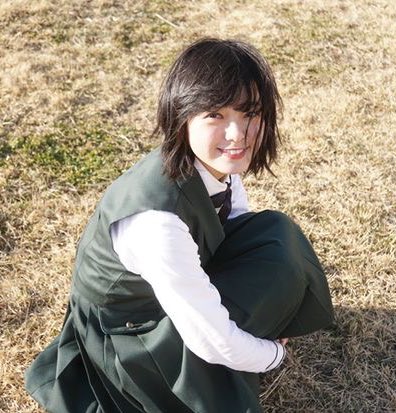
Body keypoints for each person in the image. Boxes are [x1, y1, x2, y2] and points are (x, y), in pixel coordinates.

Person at [25, 38, 334, 413]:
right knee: (221, 337)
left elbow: (236, 221)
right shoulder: (156, 223)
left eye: (250, 113)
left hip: (170, 296)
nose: (237, 134)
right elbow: (211, 340)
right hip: (130, 333)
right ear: (181, 117)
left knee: (275, 237)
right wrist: (272, 355)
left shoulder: (210, 164)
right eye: (215, 115)